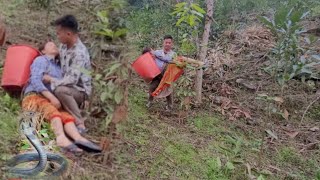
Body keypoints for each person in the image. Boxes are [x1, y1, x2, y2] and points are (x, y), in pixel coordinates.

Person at [22, 41, 101, 153]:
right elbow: (35, 79)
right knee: (52, 112)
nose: (54, 45)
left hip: (52, 99)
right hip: (35, 96)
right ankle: (61, 138)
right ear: (43, 51)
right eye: (50, 44)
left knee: (66, 116)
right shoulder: (41, 60)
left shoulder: (59, 68)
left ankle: (78, 138)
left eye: (55, 44)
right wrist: (51, 97)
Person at [43, 15, 91, 134]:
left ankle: (79, 123)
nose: (57, 36)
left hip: (79, 90)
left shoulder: (79, 53)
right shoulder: (63, 46)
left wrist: (51, 80)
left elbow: (72, 80)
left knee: (59, 90)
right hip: (66, 85)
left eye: (59, 33)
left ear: (68, 34)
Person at [146, 35, 176, 111]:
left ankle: (170, 106)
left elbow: (168, 60)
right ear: (163, 43)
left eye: (169, 43)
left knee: (168, 92)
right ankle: (150, 102)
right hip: (157, 75)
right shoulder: (157, 52)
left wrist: (157, 55)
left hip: (167, 76)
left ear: (172, 44)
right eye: (166, 42)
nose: (168, 44)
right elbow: (149, 58)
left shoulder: (173, 54)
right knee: (151, 87)